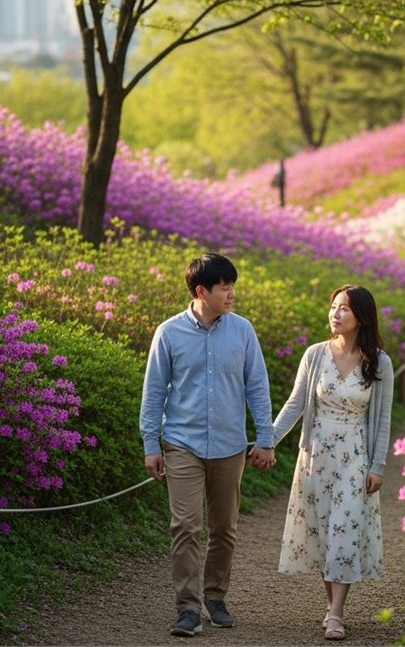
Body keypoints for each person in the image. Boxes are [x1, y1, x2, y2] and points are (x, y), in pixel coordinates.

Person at [139, 252, 277, 637]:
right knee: (185, 525)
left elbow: (257, 387)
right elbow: (153, 393)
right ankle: (187, 607)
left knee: (224, 528)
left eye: (233, 286)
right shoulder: (168, 332)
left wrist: (265, 439)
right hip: (181, 442)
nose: (231, 293)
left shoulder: (243, 331)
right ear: (202, 291)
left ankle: (215, 597)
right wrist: (152, 444)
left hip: (230, 445)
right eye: (224, 287)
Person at [269, 284, 393, 641]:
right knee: (326, 534)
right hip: (316, 456)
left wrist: (377, 466)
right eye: (334, 307)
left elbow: (382, 418)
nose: (335, 315)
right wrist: (267, 440)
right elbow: (295, 405)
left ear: (362, 318)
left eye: (345, 309)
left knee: (345, 531)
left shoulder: (379, 362)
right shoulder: (315, 355)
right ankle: (331, 607)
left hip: (355, 455)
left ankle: (336, 612)